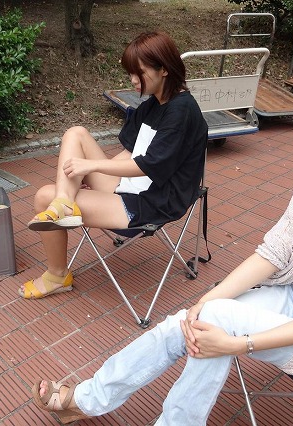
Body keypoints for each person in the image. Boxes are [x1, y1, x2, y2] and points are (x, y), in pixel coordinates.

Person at [30, 86, 293, 424]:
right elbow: (275, 253)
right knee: (189, 321)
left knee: (217, 322)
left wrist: (240, 344)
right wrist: (203, 301)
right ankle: (89, 399)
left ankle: (102, 404)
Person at [19, 31, 208, 299]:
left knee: (42, 197)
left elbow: (148, 165)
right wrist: (93, 171)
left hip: (153, 201)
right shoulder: (153, 104)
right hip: (131, 185)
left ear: (164, 69)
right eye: (130, 73)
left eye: (139, 73)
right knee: (76, 133)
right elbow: (129, 153)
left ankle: (58, 275)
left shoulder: (181, 111)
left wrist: (91, 167)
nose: (133, 80)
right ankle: (64, 203)